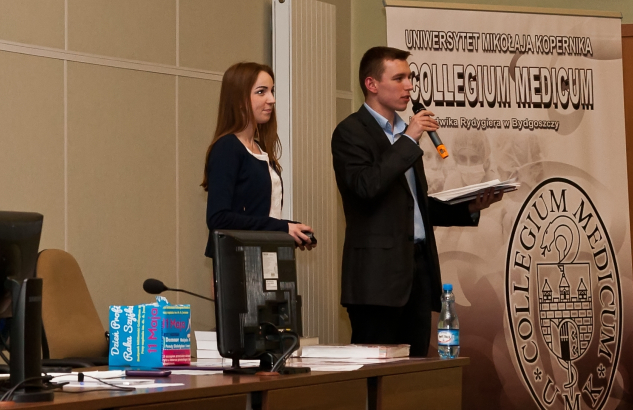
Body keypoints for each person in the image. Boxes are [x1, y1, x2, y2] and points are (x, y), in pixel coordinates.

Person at [331, 47, 501, 356]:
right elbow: (366, 187)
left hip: (418, 273)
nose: (409, 86)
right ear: (371, 84)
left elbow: (414, 206)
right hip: (377, 281)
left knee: (417, 370)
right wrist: (409, 139)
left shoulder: (404, 134)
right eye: (399, 78)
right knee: (377, 371)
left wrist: (469, 207)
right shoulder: (351, 132)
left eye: (410, 77)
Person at [202, 62, 314, 257]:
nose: (272, 99)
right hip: (238, 261)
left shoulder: (260, 149)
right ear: (239, 100)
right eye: (261, 92)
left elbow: (259, 214)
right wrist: (281, 228)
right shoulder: (227, 148)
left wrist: (291, 230)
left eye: (272, 91)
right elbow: (218, 218)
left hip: (265, 257)